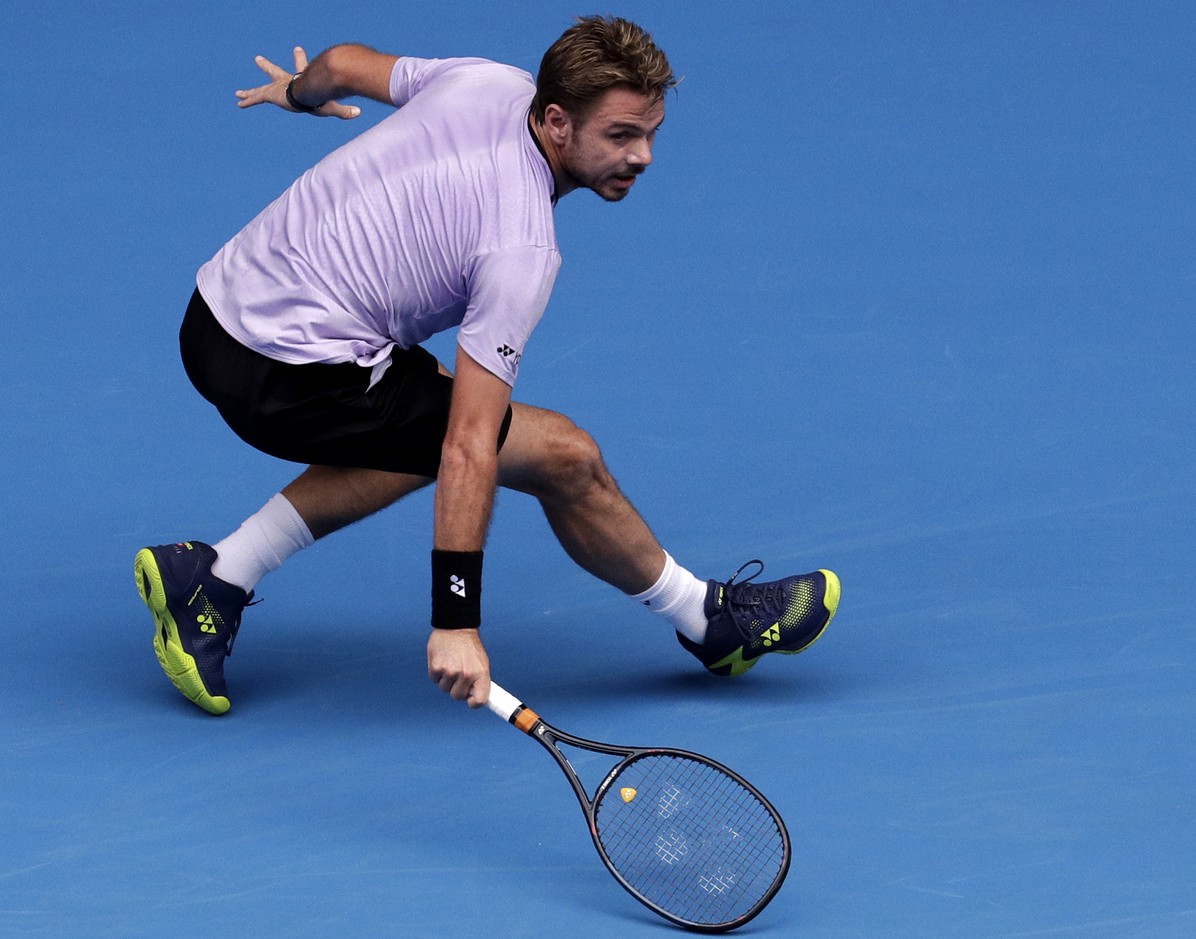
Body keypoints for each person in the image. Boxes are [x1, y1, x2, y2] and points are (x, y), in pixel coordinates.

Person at [133, 16, 841, 716]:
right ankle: (709, 621)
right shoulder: (520, 247)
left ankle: (219, 574)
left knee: (432, 408)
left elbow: (345, 63)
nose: (644, 155)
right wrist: (456, 622)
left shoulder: (488, 80)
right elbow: (468, 445)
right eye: (622, 134)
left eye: (651, 132)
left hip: (213, 310)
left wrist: (298, 92)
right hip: (284, 375)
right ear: (558, 122)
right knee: (562, 455)